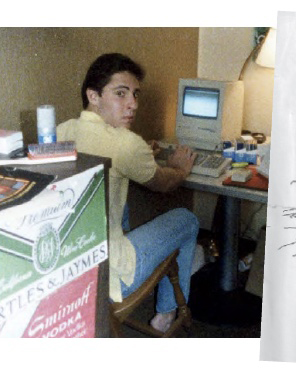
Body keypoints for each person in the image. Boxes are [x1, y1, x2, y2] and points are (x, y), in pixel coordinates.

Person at [57, 53, 203, 333]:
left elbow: (112, 156)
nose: (133, 105)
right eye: (120, 94)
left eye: (135, 95)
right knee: (187, 219)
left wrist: (140, 156)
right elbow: (165, 183)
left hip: (73, 268)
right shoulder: (126, 144)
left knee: (117, 202)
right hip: (109, 275)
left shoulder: (64, 129)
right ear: (94, 95)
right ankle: (166, 314)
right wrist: (179, 169)